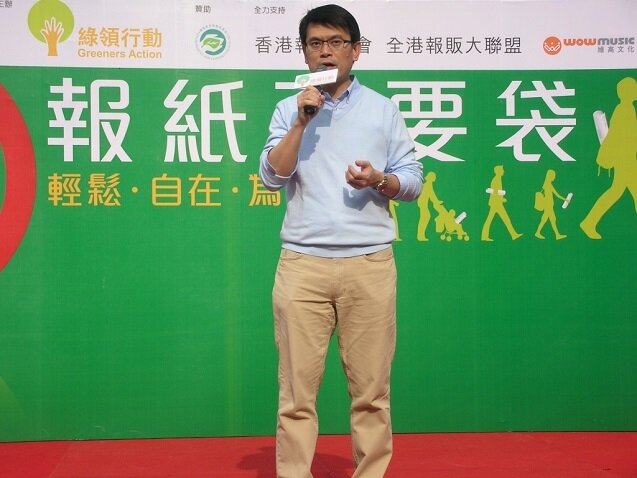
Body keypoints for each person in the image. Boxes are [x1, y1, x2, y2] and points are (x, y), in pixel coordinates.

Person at [258, 5, 423, 477]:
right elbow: (272, 175)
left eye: (335, 42)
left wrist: (379, 180)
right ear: (304, 53)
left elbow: (413, 180)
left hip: (369, 265)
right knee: (296, 395)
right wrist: (300, 122)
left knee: (371, 393)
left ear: (356, 50)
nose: (326, 51)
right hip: (302, 265)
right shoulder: (290, 109)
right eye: (316, 43)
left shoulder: (383, 109)